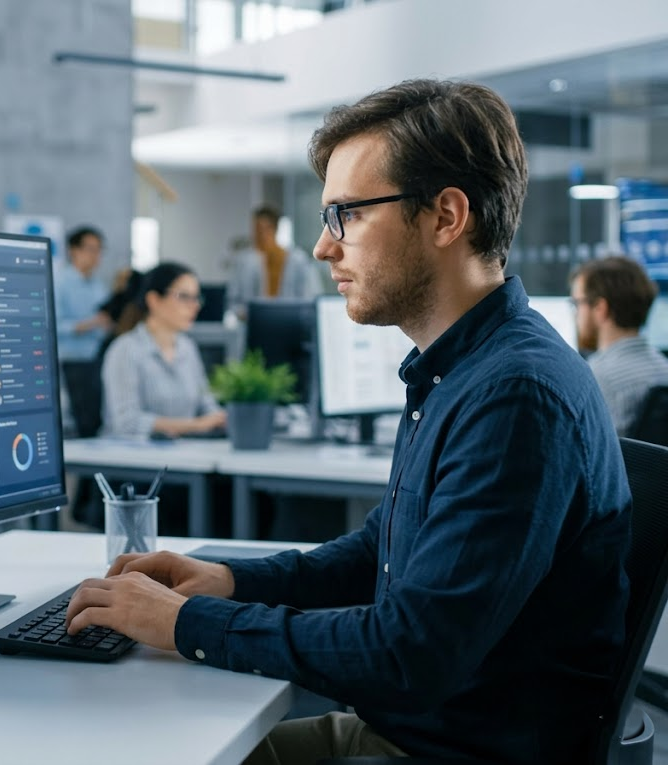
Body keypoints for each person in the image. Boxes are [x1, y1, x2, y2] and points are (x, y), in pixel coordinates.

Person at [66, 79, 630, 765]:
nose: (321, 248)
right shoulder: (461, 369)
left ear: (447, 216)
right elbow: (377, 555)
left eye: (346, 215)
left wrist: (187, 623)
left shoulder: (516, 395)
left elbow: (407, 654)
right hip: (416, 733)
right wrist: (228, 580)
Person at [101, 262, 227, 439]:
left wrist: (222, 419)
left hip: (184, 454)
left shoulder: (187, 348)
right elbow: (127, 423)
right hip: (134, 458)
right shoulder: (125, 350)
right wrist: (195, 426)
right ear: (154, 300)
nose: (195, 305)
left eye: (197, 297)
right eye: (184, 296)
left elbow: (206, 405)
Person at [570, 254, 668, 435]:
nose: (575, 313)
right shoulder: (663, 367)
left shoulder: (593, 377)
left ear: (600, 308)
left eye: (577, 303)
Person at [227, 204, 322, 315]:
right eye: (256, 229)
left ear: (275, 229)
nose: (260, 235)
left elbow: (312, 299)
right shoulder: (243, 262)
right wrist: (244, 313)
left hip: (290, 324)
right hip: (254, 325)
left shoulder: (299, 260)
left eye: (265, 229)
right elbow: (232, 301)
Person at [53, 226, 112, 362]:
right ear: (73, 251)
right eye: (91, 249)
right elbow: (53, 326)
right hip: (70, 359)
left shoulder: (98, 285)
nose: (96, 255)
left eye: (99, 250)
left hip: (97, 356)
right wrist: (89, 324)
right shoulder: (59, 282)